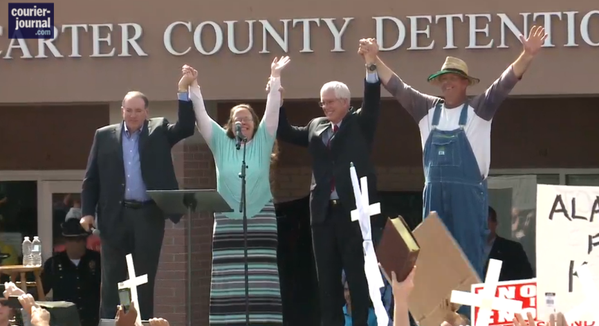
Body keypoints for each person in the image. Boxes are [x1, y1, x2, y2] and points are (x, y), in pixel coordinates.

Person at [358, 26, 548, 279]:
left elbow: (505, 82)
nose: (446, 82)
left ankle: (467, 317)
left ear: (465, 84)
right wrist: (373, 59)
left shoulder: (480, 108)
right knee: (432, 258)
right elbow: (397, 86)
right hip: (434, 193)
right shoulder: (425, 108)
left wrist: (528, 55)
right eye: (443, 79)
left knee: (468, 260)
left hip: (467, 195)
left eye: (453, 78)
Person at [277, 45, 381, 326]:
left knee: (357, 278)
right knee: (327, 281)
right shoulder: (316, 126)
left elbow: (372, 100)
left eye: (330, 102)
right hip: (322, 214)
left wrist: (371, 65)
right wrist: (277, 99)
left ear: (346, 102)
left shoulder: (360, 123)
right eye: (323, 102)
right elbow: (284, 131)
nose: (325, 106)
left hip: (353, 212)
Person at [80, 74, 196, 319]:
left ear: (146, 112)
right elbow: (92, 179)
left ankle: (141, 321)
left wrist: (183, 90)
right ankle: (114, 322)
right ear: (122, 111)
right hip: (114, 217)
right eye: (128, 110)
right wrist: (87, 212)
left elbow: (186, 127)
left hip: (147, 216)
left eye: (138, 110)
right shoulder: (104, 136)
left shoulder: (158, 130)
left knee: (142, 278)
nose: (133, 115)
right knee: (114, 278)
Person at [186, 56, 289, 325]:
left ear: (254, 123)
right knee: (227, 276)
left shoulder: (263, 141)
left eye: (247, 120)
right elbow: (202, 117)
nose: (242, 123)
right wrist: (194, 86)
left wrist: (275, 77)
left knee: (261, 276)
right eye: (236, 120)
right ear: (230, 125)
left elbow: (273, 111)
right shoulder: (220, 143)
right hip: (226, 220)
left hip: (262, 217)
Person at [41, 218, 101, 326]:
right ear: (66, 241)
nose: (77, 244)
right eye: (72, 240)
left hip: (91, 320)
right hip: (63, 321)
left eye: (80, 240)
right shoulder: (54, 263)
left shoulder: (97, 260)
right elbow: (40, 290)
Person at [485, 206, 533, 281]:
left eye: (486, 222)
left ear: (495, 224)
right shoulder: (466, 250)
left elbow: (525, 278)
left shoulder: (512, 249)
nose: (480, 226)